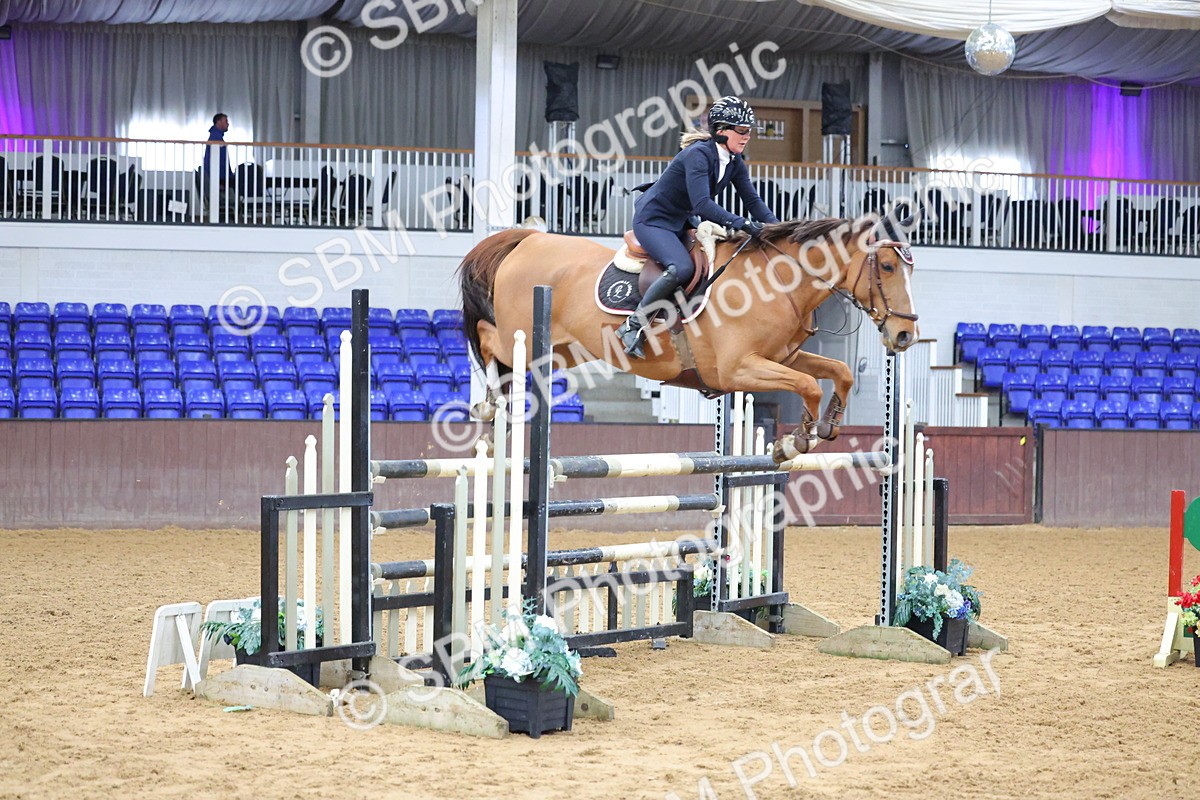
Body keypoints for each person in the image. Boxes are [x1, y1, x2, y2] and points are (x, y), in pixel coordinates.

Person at [615, 96, 779, 358]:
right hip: (654, 220)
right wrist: (744, 224)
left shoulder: (734, 161)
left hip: (681, 220)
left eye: (749, 131)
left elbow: (753, 200)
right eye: (742, 131)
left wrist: (778, 230)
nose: (747, 136)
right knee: (681, 267)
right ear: (721, 131)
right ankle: (633, 326)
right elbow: (702, 204)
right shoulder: (698, 155)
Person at [202, 113, 231, 186]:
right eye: (226, 121)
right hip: (218, 176)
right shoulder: (216, 137)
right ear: (219, 122)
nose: (228, 124)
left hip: (218, 175)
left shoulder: (216, 136)